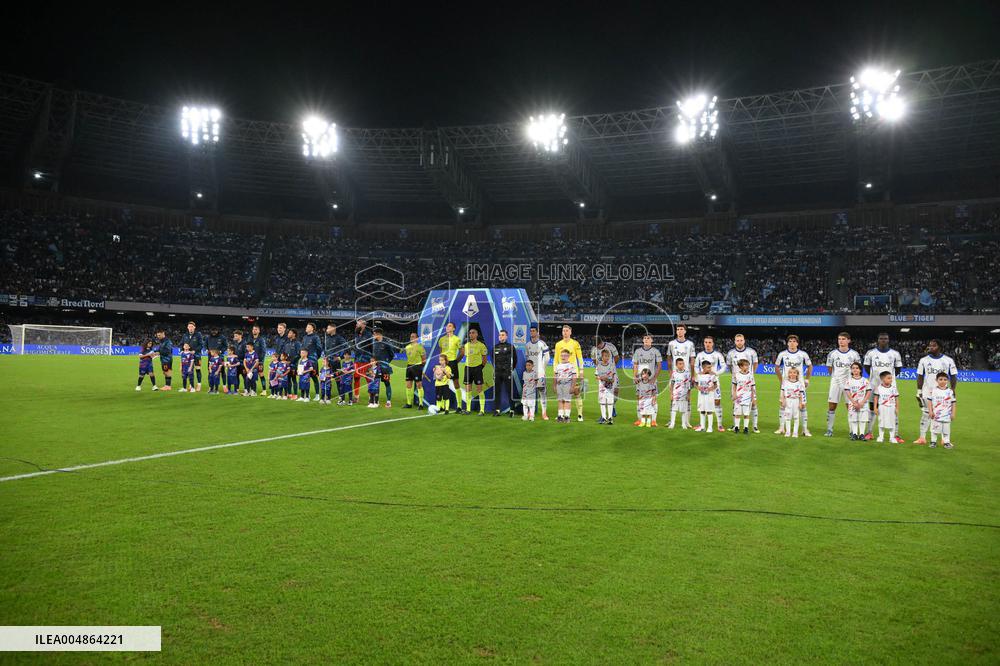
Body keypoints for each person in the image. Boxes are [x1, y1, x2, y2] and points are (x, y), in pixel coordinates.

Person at [914, 339, 958, 445]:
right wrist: (919, 391)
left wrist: (953, 389)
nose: (931, 347)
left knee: (943, 414)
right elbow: (920, 376)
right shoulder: (923, 360)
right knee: (926, 414)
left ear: (939, 347)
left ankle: (944, 439)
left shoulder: (948, 360)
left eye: (933, 346)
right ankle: (922, 438)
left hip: (943, 393)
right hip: (927, 391)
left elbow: (953, 375)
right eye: (930, 345)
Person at [862, 332, 903, 440]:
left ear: (888, 340)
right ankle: (869, 432)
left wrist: (888, 380)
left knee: (892, 409)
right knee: (872, 408)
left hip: (890, 387)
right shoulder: (871, 353)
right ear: (878, 340)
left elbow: (898, 369)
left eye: (885, 338)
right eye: (881, 338)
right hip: (874, 385)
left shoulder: (895, 354)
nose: (883, 340)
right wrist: (876, 378)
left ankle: (896, 435)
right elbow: (866, 367)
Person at [825, 332, 862, 437]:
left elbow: (858, 368)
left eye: (843, 339)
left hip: (850, 384)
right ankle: (829, 430)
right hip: (835, 383)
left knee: (850, 407)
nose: (841, 341)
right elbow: (829, 367)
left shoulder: (854, 354)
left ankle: (852, 431)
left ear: (849, 340)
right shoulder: (832, 354)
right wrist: (835, 377)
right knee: (832, 406)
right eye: (839, 339)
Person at [775, 335, 813, 436]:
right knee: (783, 405)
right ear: (787, 343)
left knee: (803, 406)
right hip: (786, 384)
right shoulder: (782, 354)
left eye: (794, 341)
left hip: (799, 384)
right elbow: (776, 367)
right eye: (790, 341)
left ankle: (804, 429)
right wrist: (781, 381)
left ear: (797, 343)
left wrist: (807, 379)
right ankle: (781, 427)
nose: (792, 343)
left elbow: (810, 366)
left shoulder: (803, 354)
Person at [725, 333, 759, 431]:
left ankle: (755, 426)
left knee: (753, 403)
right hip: (737, 382)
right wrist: (735, 376)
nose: (739, 342)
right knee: (735, 402)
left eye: (741, 340)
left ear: (744, 341)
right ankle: (735, 425)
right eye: (737, 340)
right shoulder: (731, 353)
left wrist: (751, 374)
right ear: (735, 341)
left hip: (748, 382)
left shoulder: (751, 352)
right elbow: (729, 366)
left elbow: (755, 363)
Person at [695, 336, 728, 432]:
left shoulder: (718, 355)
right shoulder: (700, 355)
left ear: (713, 343)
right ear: (704, 343)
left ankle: (719, 424)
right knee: (703, 402)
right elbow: (696, 366)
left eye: (709, 342)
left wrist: (716, 373)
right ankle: (702, 425)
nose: (707, 344)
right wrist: (699, 373)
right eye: (706, 342)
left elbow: (724, 366)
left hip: (714, 381)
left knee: (717, 401)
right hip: (703, 381)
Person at [553, 325, 585, 422]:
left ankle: (580, 414)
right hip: (561, 373)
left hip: (573, 372)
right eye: (563, 331)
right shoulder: (558, 344)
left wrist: (581, 371)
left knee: (576, 392)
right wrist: (555, 372)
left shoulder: (575, 343)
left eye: (567, 331)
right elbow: (555, 359)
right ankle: (562, 415)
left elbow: (580, 358)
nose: (565, 332)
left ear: (570, 332)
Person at [631, 334, 663, 426]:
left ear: (652, 340)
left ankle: (653, 420)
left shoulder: (655, 351)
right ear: (642, 340)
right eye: (644, 338)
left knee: (653, 399)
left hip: (651, 380)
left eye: (648, 338)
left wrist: (654, 378)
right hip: (640, 380)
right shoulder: (638, 351)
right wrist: (635, 376)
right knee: (639, 399)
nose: (646, 339)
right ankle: (640, 419)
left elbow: (659, 365)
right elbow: (635, 364)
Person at [459, 328, 489, 415]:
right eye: (470, 333)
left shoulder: (481, 345)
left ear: (476, 334)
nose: (471, 334)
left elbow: (484, 359)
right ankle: (468, 409)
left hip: (477, 369)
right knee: (468, 389)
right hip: (468, 368)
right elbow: (463, 355)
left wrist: (480, 368)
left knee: (479, 389)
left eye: (473, 333)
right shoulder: (466, 345)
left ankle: (482, 410)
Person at [524, 326, 551, 420]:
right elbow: (527, 358)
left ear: (537, 332)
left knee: (542, 392)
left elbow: (547, 358)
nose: (532, 332)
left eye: (533, 331)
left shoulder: (542, 344)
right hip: (530, 373)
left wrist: (542, 368)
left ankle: (544, 413)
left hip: (540, 373)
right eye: (531, 331)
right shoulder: (527, 345)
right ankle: (530, 412)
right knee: (529, 393)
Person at [591, 336, 621, 418]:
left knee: (616, 391)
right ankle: (604, 415)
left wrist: (611, 367)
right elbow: (593, 359)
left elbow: (617, 357)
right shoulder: (594, 349)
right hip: (602, 373)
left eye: (598, 346)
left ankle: (613, 406)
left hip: (612, 372)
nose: (597, 348)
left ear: (600, 343)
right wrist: (600, 367)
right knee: (603, 393)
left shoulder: (610, 346)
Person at [926, 372, 957, 449]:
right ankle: (933, 442)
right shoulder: (933, 391)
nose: (943, 381)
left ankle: (947, 442)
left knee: (946, 430)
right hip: (936, 415)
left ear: (948, 381)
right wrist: (930, 411)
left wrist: (953, 413)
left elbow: (953, 403)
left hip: (947, 415)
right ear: (936, 380)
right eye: (940, 379)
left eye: (945, 379)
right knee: (935, 429)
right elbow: (929, 401)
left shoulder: (950, 391)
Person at [437, 322, 462, 412]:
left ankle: (459, 406)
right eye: (447, 326)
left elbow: (462, 352)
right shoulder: (441, 339)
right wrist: (441, 363)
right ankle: (442, 406)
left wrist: (455, 361)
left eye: (450, 326)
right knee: (442, 383)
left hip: (452, 362)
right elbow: (441, 353)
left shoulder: (457, 339)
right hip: (443, 364)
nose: (448, 327)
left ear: (454, 329)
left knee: (456, 383)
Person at [843, 362, 871, 440]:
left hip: (863, 403)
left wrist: (863, 402)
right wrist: (853, 402)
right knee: (854, 419)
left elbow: (868, 392)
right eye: (853, 368)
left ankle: (862, 434)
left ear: (860, 370)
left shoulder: (865, 380)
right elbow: (847, 392)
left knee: (863, 419)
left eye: (857, 368)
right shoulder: (849, 381)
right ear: (851, 370)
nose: (855, 370)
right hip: (853, 403)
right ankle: (854, 434)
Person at [492, 329, 517, 417]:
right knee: (497, 391)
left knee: (509, 391)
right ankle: (497, 410)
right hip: (497, 372)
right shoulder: (495, 347)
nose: (501, 336)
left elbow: (515, 360)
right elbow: (493, 360)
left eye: (503, 335)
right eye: (500, 335)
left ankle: (512, 410)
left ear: (506, 336)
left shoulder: (510, 347)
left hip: (507, 372)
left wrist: (511, 369)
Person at [873, 371, 901, 443]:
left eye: (891, 378)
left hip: (891, 407)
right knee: (881, 421)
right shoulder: (878, 388)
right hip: (882, 407)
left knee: (892, 422)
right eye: (888, 378)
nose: (891, 380)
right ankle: (881, 436)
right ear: (883, 379)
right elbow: (876, 398)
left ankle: (892, 437)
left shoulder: (894, 388)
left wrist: (897, 408)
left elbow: (896, 399)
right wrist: (875, 408)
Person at [730, 358, 756, 435]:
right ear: (740, 366)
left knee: (746, 414)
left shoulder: (750, 375)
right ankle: (737, 427)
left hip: (747, 397)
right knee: (737, 413)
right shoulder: (736, 375)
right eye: (745, 365)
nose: (747, 367)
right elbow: (734, 385)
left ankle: (746, 428)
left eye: (748, 365)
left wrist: (753, 398)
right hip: (738, 397)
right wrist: (734, 394)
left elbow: (752, 387)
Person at [780, 367, 807, 438]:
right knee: (787, 417)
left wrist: (800, 403)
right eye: (791, 372)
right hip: (788, 400)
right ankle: (788, 432)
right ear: (788, 374)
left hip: (796, 401)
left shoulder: (799, 383)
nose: (792, 374)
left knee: (796, 417)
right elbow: (783, 392)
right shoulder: (785, 383)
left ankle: (795, 433)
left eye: (794, 373)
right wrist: (783, 400)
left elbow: (801, 394)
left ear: (797, 374)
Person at [553, 349, 579, 423]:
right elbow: (555, 376)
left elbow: (574, 377)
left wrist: (572, 387)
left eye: (565, 355)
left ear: (568, 356)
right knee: (560, 400)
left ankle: (567, 416)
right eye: (562, 355)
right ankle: (560, 416)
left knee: (567, 400)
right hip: (559, 385)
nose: (563, 357)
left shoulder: (571, 366)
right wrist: (554, 386)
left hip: (568, 384)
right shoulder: (558, 366)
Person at [371, 328, 395, 408]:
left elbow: (392, 355)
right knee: (376, 384)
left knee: (387, 383)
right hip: (376, 368)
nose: (373, 335)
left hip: (385, 368)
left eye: (374, 334)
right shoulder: (374, 343)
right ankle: (376, 401)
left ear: (379, 334)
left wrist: (386, 362)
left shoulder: (386, 343)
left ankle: (388, 401)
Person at [594, 348, 618, 425]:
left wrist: (608, 379)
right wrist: (602, 378)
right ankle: (604, 418)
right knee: (602, 402)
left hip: (610, 387)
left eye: (608, 356)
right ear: (602, 356)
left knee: (610, 402)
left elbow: (613, 377)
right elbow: (596, 376)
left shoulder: (611, 365)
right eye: (605, 356)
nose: (607, 358)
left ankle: (610, 418)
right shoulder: (599, 366)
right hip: (602, 388)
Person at [403, 331, 426, 409]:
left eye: (413, 336)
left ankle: (421, 404)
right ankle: (409, 403)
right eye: (410, 336)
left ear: (417, 338)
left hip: (417, 367)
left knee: (419, 385)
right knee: (408, 385)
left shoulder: (420, 347)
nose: (411, 338)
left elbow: (424, 359)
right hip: (409, 367)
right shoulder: (407, 347)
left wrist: (420, 367)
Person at [179, 322, 205, 392]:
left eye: (192, 327)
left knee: (198, 369)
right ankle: (191, 385)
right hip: (187, 356)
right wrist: (181, 350)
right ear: (187, 328)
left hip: (196, 355)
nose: (190, 328)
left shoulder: (198, 334)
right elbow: (181, 344)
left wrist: (195, 351)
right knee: (189, 370)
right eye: (189, 327)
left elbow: (201, 345)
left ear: (194, 327)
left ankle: (199, 384)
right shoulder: (185, 335)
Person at [694, 360, 718, 433]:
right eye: (708, 367)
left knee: (709, 411)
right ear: (703, 367)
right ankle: (702, 427)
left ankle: (710, 428)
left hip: (709, 396)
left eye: (710, 367)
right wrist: (698, 387)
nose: (710, 369)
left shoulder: (712, 375)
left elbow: (716, 384)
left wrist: (712, 388)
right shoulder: (698, 375)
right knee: (702, 411)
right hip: (701, 396)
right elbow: (695, 384)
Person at [668, 357, 691, 429]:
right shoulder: (674, 373)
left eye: (683, 364)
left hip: (684, 394)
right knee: (674, 409)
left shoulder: (687, 373)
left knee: (684, 410)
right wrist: (671, 394)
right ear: (676, 365)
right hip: (676, 394)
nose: (682, 365)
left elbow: (689, 385)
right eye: (680, 364)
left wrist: (688, 395)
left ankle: (683, 424)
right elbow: (672, 384)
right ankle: (672, 423)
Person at [352, 321, 373, 402]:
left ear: (363, 325)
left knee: (369, 379)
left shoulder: (369, 335)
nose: (356, 325)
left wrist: (372, 357)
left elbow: (373, 347)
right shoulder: (356, 334)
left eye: (358, 324)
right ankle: (356, 397)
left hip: (366, 360)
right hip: (357, 360)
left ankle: (371, 397)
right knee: (356, 378)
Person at [247, 325, 268, 396]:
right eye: (253, 329)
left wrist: (260, 361)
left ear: (259, 331)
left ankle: (264, 390)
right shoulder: (250, 339)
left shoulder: (261, 339)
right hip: (251, 361)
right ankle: (252, 389)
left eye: (256, 329)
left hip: (259, 361)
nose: (254, 330)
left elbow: (263, 351)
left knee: (261, 374)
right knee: (251, 374)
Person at [285, 329, 302, 395]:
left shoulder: (297, 343)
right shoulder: (287, 343)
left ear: (294, 334)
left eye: (290, 333)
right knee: (288, 379)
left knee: (294, 379)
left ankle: (295, 394)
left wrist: (291, 361)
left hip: (294, 365)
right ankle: (289, 393)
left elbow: (299, 354)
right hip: (287, 364)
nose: (288, 334)